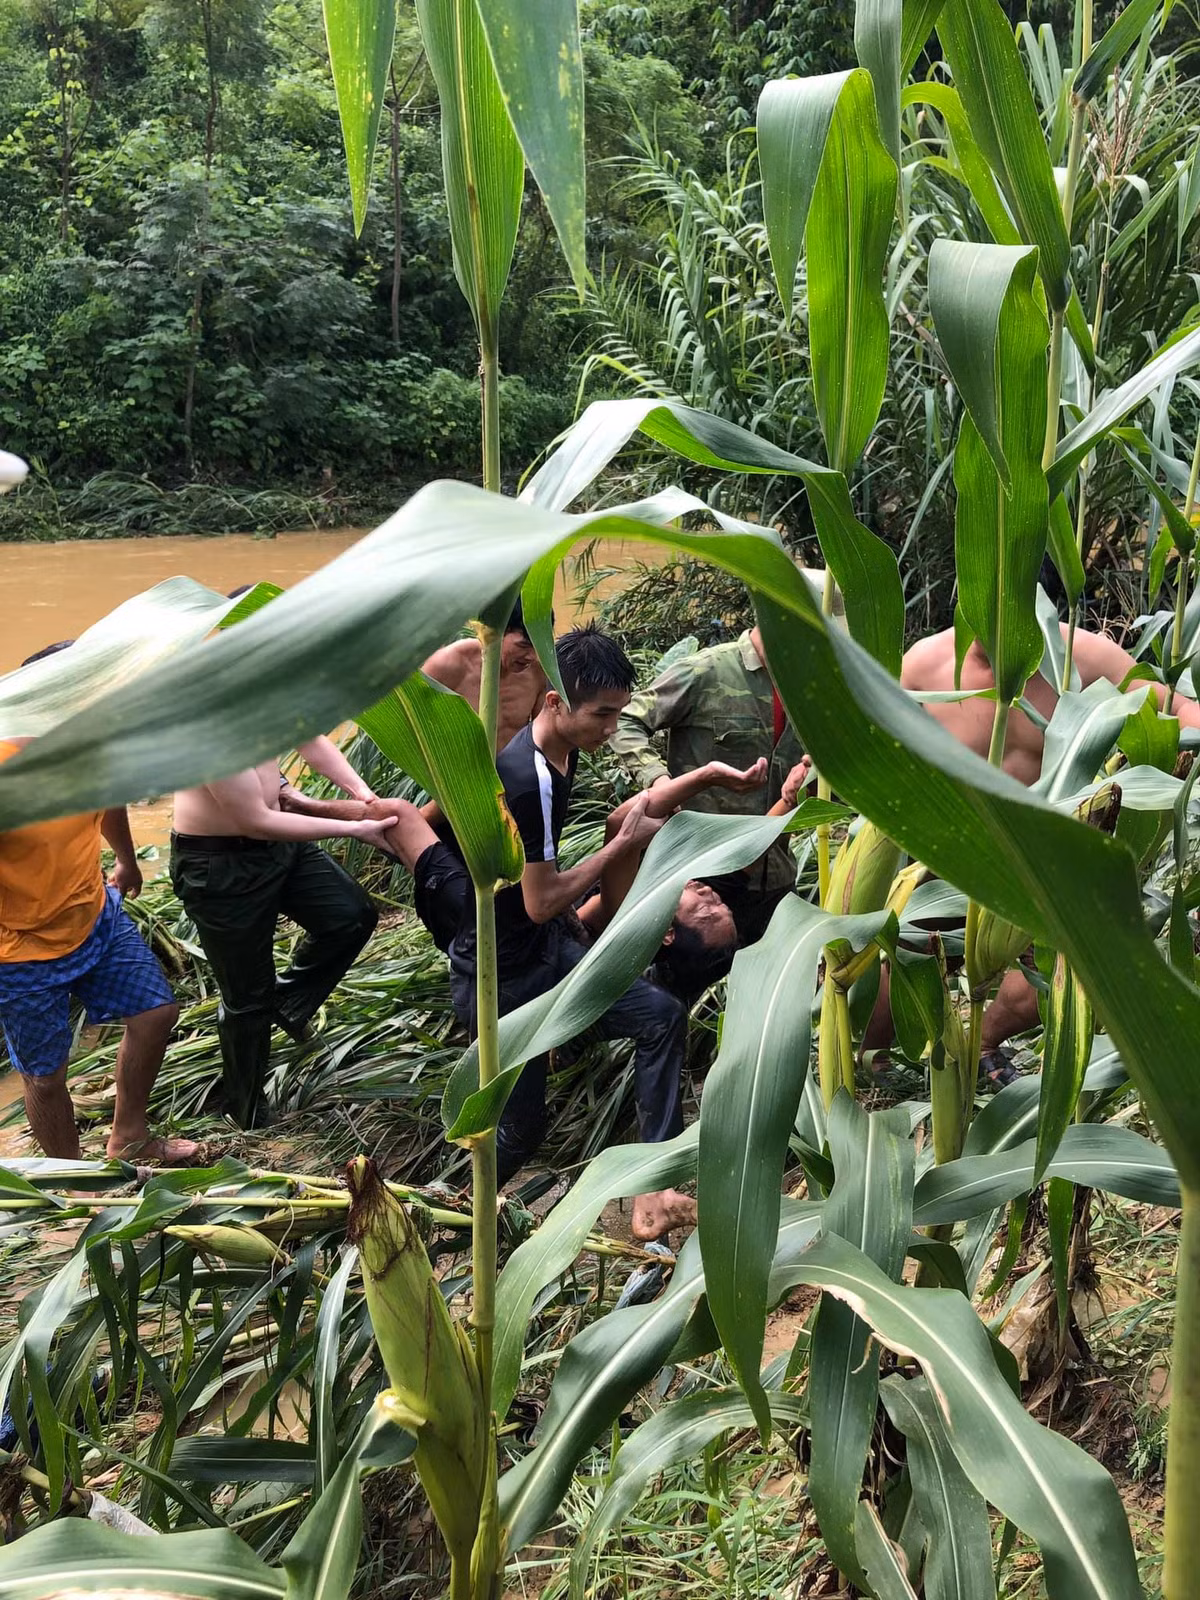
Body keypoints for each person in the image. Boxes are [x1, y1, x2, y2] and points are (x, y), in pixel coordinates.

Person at [446, 623, 698, 1241]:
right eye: (602, 715)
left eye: (618, 714)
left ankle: (652, 1188)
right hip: (506, 974)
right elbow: (539, 900)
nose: (611, 729)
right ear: (555, 701)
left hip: (545, 947)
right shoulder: (527, 777)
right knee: (521, 1127)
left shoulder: (563, 746)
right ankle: (449, 1216)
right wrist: (620, 847)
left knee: (659, 1016)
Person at [898, 621, 1200, 1072]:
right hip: (946, 853)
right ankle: (877, 1054)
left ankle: (981, 1042)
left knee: (1059, 969)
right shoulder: (921, 668)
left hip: (1043, 862)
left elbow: (1180, 710)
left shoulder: (1083, 658)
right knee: (890, 969)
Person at [0, 643, 194, 1165]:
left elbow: (109, 795)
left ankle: (129, 1136)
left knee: (156, 1013)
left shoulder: (92, 740)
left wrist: (126, 859)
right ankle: (69, 1178)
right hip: (19, 947)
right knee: (45, 1075)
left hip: (94, 912)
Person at [170, 741, 397, 1129]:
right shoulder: (208, 728)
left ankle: (285, 1003)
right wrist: (355, 828)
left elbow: (310, 739)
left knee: (351, 917)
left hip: (281, 846)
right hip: (221, 865)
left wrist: (363, 794)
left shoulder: (269, 692)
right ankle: (244, 1113)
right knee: (246, 1000)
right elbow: (255, 820)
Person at [610, 624, 807, 943]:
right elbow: (624, 720)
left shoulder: (810, 688)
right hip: (703, 884)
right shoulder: (706, 672)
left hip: (777, 878)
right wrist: (660, 783)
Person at [421, 599, 547, 752]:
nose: (532, 656)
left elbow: (543, 734)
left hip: (511, 773)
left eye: (538, 647)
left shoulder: (538, 673)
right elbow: (413, 717)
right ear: (498, 632)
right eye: (523, 646)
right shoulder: (449, 663)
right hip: (456, 770)